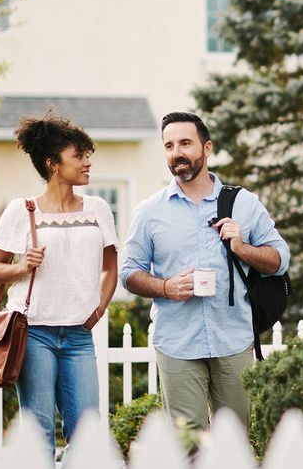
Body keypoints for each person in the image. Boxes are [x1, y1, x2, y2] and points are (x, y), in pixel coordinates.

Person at [122, 110, 289, 432]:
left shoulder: (244, 203)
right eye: (169, 146)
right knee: (189, 443)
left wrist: (242, 248)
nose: (177, 153)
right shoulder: (149, 212)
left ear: (207, 148)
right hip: (177, 342)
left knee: (235, 439)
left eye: (185, 143)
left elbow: (280, 259)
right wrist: (165, 287)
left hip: (234, 339)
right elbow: (129, 273)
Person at [0, 111, 118, 446]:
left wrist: (98, 309)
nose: (87, 162)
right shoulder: (23, 210)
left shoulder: (98, 209)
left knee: (87, 430)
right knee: (40, 429)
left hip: (79, 336)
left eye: (87, 155)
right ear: (53, 164)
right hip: (34, 334)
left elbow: (111, 267)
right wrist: (22, 267)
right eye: (78, 156)